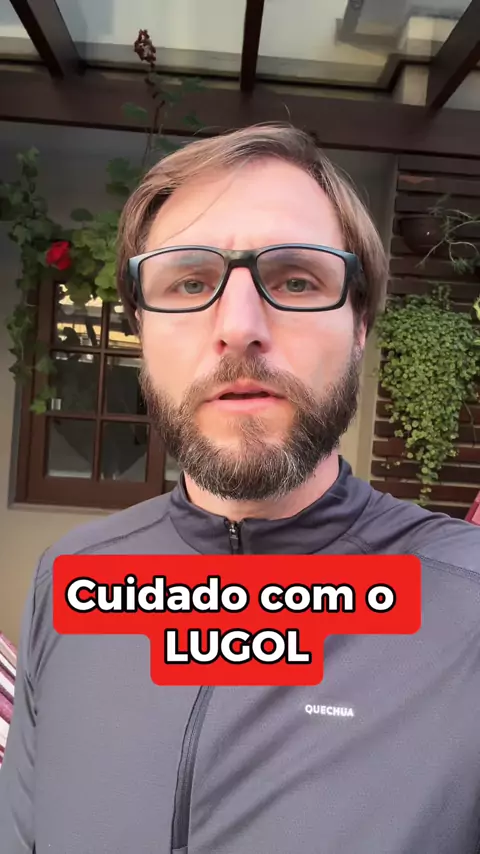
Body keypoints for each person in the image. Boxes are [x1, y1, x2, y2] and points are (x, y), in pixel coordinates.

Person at [1, 123, 479, 854]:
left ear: (359, 326)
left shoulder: (466, 608)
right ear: (141, 330)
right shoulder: (70, 579)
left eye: (296, 280)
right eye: (190, 283)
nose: (239, 326)